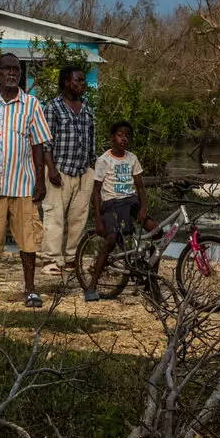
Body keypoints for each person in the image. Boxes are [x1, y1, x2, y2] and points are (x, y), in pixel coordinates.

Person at [0, 51, 51, 307]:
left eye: (16, 69)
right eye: (7, 69)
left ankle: (31, 290)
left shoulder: (32, 105)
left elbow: (39, 144)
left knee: (28, 238)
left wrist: (40, 180)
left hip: (24, 184)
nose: (12, 73)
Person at [84, 120, 153, 302]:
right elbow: (97, 191)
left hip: (130, 202)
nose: (124, 139)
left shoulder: (132, 158)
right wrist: (97, 218)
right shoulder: (103, 160)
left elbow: (140, 187)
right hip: (112, 203)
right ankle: (91, 286)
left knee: (156, 230)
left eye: (127, 136)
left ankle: (149, 276)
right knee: (111, 239)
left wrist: (143, 207)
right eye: (120, 135)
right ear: (112, 138)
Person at [39, 63, 96, 276]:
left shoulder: (87, 108)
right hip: (59, 170)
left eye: (83, 80)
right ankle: (51, 259)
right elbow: (46, 141)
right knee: (54, 216)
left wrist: (91, 167)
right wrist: (51, 169)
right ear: (66, 82)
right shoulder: (53, 107)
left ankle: (72, 258)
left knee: (79, 218)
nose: (83, 84)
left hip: (83, 171)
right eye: (78, 80)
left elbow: (91, 139)